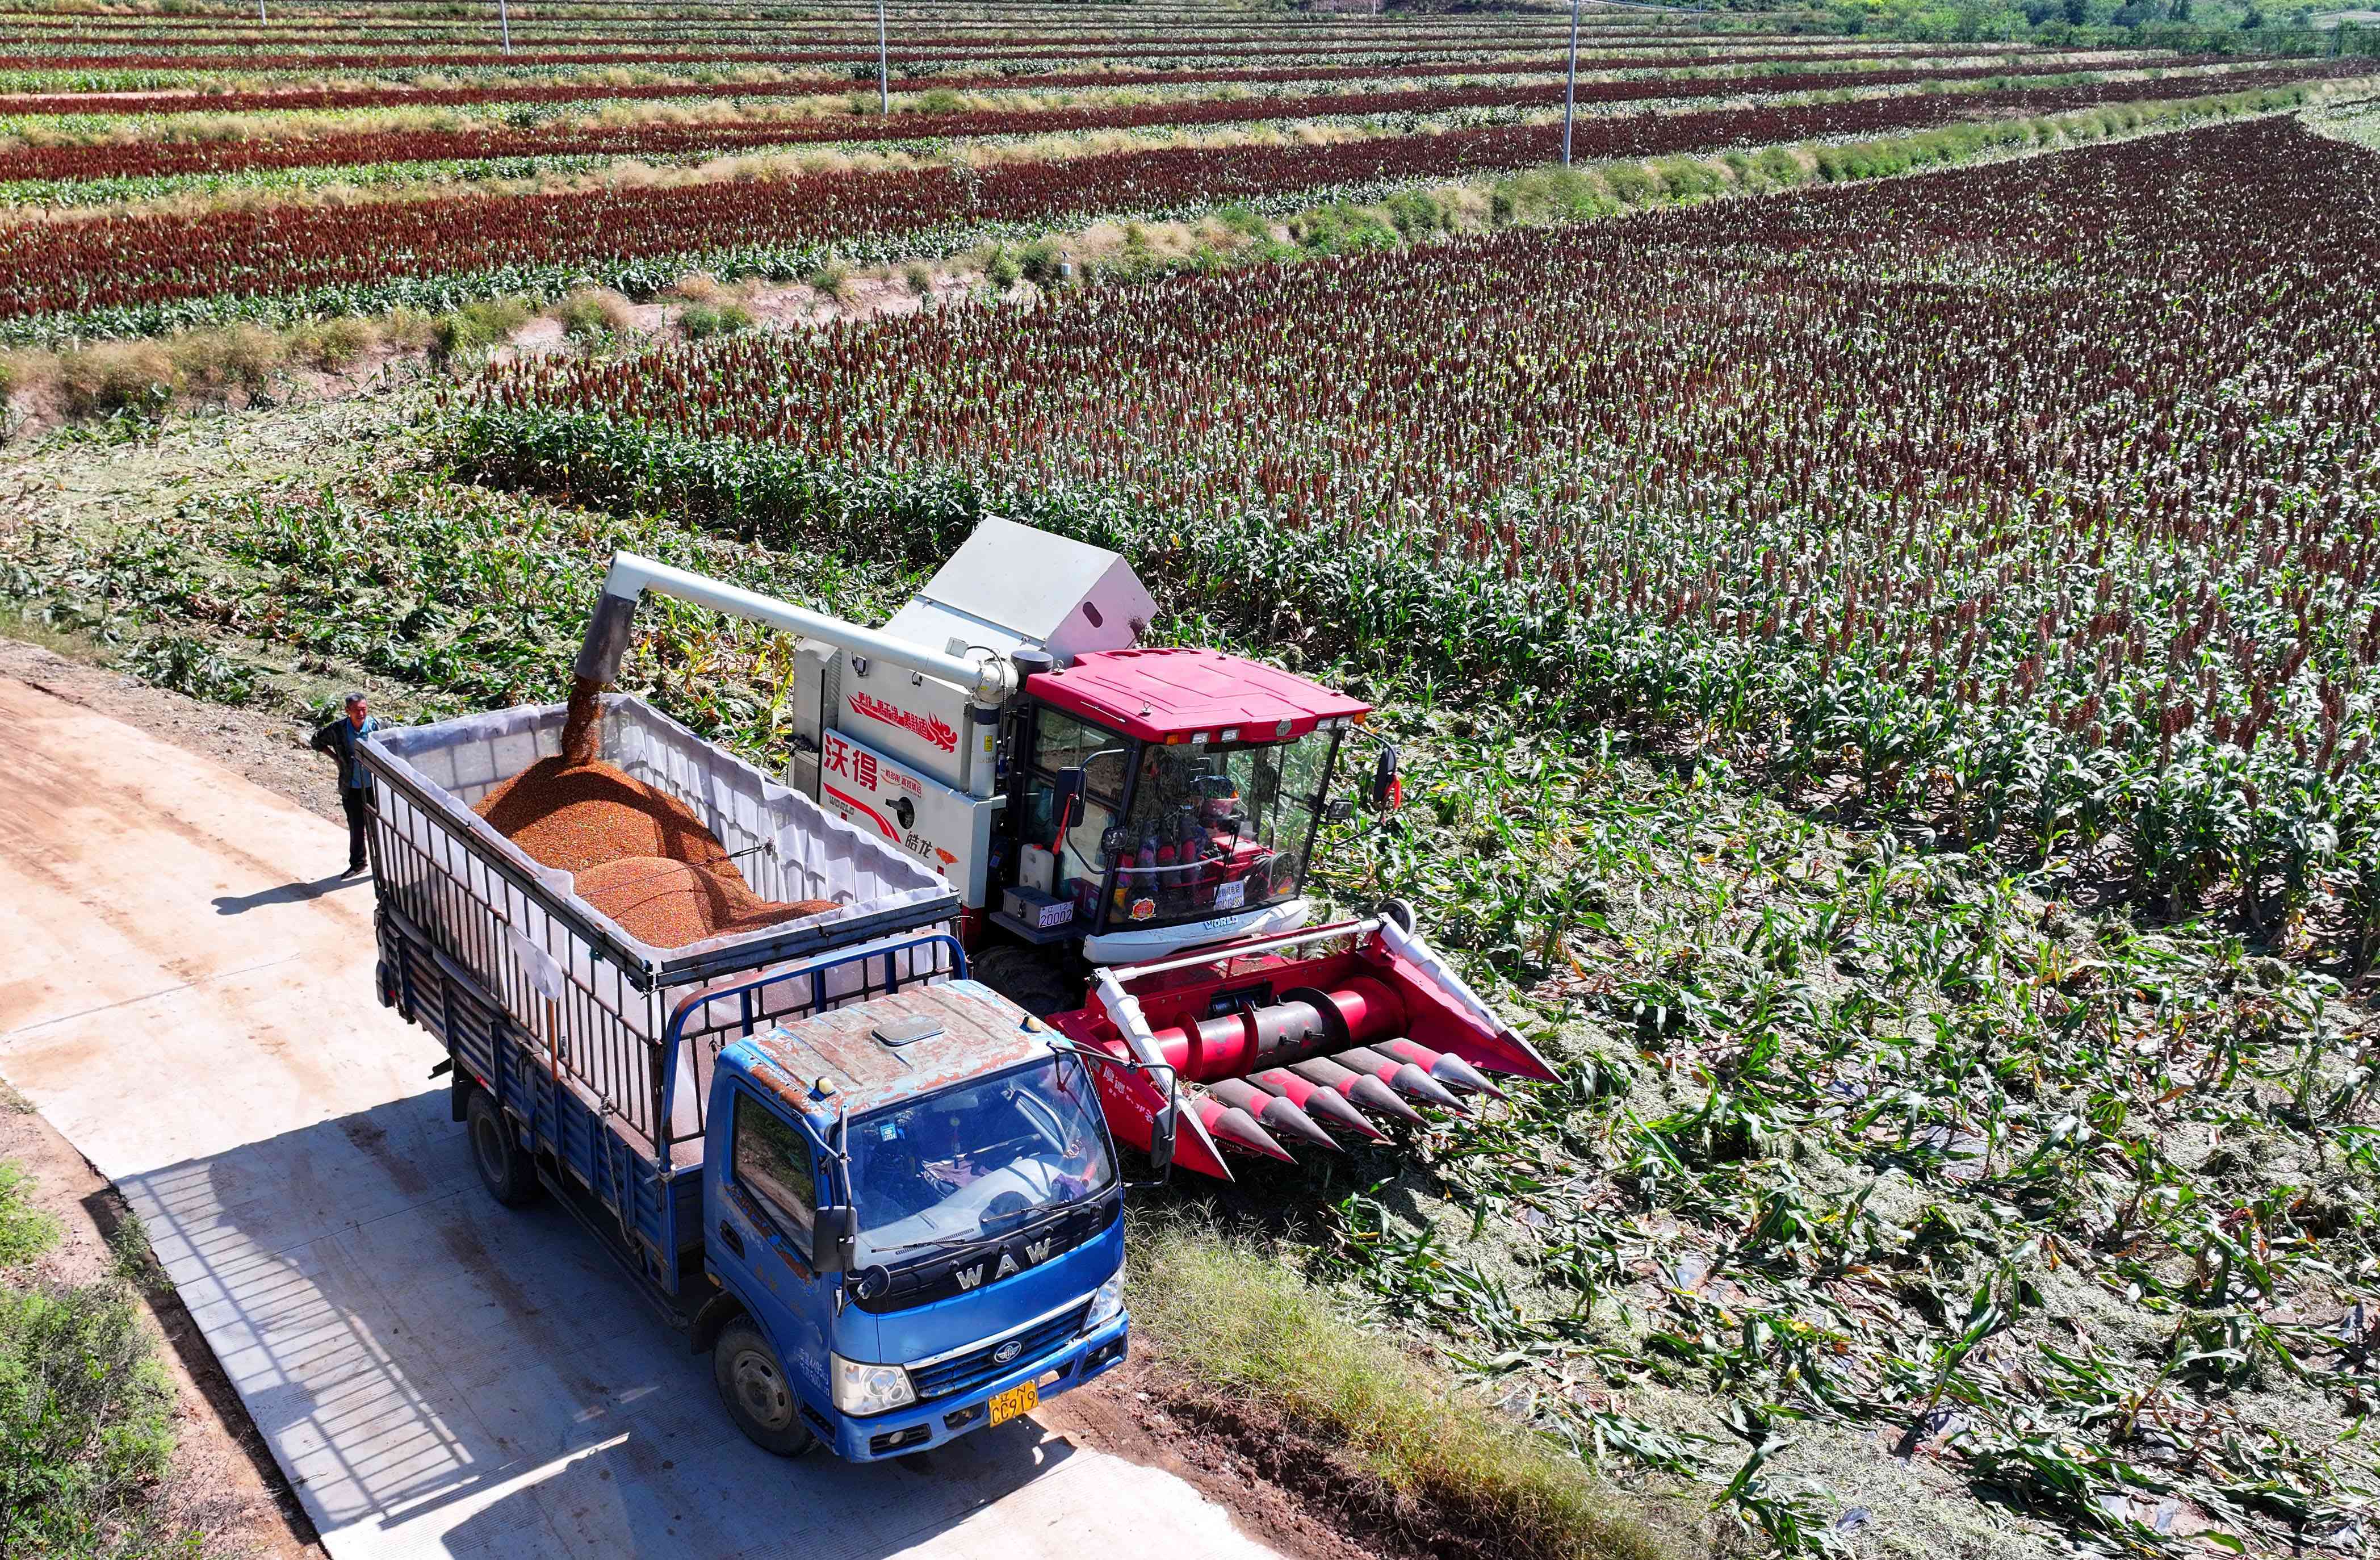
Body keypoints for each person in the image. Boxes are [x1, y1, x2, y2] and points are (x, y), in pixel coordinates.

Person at [311, 692, 379, 876]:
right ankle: (358, 864)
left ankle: (384, 866)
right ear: (347, 711)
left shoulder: (377, 727)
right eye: (357, 710)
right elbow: (316, 741)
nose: (361, 714)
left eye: (364, 709)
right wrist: (336, 759)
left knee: (380, 828)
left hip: (375, 787)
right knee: (357, 828)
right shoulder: (339, 729)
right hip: (352, 787)